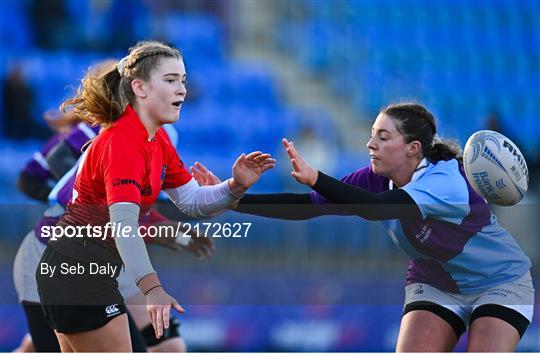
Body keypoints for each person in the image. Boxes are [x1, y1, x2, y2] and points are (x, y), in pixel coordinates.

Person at [191, 102, 535, 352]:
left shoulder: (446, 180)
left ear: (413, 149)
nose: (371, 144)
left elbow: (373, 210)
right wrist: (232, 199)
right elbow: (307, 208)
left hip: (499, 281)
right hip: (435, 284)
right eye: (372, 135)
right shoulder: (375, 178)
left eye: (384, 137)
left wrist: (316, 178)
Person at [35, 40, 275, 352]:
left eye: (183, 81)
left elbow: (192, 201)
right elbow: (124, 227)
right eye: (171, 80)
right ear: (140, 88)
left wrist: (235, 186)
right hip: (78, 272)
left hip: (82, 271)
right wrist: (153, 289)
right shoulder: (123, 142)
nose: (182, 91)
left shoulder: (156, 138)